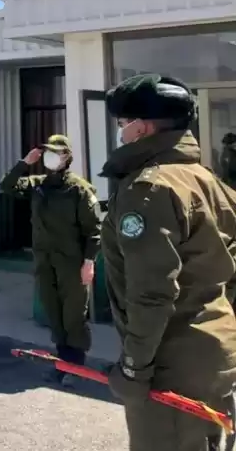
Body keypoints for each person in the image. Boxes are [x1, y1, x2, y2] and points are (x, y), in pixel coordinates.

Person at [101, 73, 236, 451]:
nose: (121, 133)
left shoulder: (149, 188)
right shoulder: (205, 179)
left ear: (140, 129)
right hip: (215, 352)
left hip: (171, 364)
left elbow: (152, 293)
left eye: (122, 125)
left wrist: (133, 369)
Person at [0, 135, 101, 384]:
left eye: (55, 153)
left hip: (72, 262)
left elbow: (94, 230)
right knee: (54, 314)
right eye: (47, 153)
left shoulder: (79, 189)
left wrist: (89, 262)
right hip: (45, 260)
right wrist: (25, 162)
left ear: (67, 157)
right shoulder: (38, 185)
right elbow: (8, 186)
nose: (50, 157)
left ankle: (76, 368)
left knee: (73, 315)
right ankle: (63, 363)